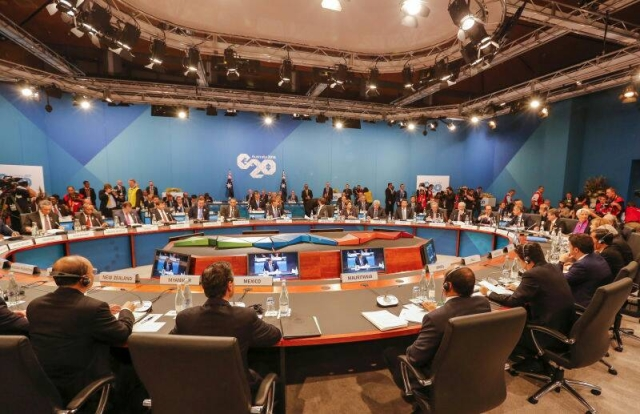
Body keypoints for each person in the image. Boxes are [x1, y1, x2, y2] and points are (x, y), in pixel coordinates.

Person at [27, 255, 135, 406]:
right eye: (92, 272)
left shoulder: (35, 305)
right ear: (85, 279)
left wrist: (102, 315)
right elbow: (122, 333)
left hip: (45, 387)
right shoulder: (94, 308)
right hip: (84, 388)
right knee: (131, 370)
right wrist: (126, 311)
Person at [170, 262, 281, 394]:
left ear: (204, 287)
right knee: (268, 371)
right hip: (237, 394)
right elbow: (275, 335)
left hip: (195, 394)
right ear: (229, 285)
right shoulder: (245, 317)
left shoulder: (185, 318)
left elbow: (168, 344)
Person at [384, 267, 491, 395]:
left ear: (448, 286)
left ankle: (421, 393)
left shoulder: (435, 318)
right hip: (473, 371)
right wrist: (436, 312)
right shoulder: (483, 303)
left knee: (390, 352)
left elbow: (414, 357)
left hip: (438, 379)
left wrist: (410, 347)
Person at [479, 243, 575, 366]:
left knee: (501, 325)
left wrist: (488, 292)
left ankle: (507, 361)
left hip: (546, 334)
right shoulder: (553, 267)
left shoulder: (532, 274)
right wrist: (521, 289)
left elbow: (513, 301)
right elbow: (543, 289)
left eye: (519, 260)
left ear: (527, 260)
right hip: (564, 328)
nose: (520, 264)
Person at [560, 234, 612, 307]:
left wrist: (561, 262)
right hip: (596, 300)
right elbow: (584, 271)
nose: (569, 249)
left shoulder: (582, 265)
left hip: (580, 303)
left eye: (569, 247)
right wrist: (572, 265)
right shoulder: (596, 256)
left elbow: (560, 280)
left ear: (576, 250)